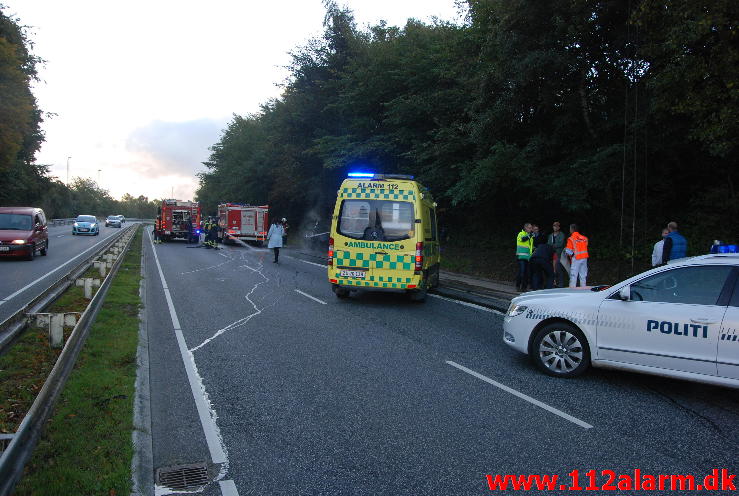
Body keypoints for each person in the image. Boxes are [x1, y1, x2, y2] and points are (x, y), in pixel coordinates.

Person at [515, 223, 534, 292]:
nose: (531, 229)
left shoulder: (530, 237)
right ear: (525, 228)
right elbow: (523, 239)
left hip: (528, 257)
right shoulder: (521, 234)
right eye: (529, 228)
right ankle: (518, 285)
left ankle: (524, 287)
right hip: (521, 256)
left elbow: (530, 247)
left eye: (531, 228)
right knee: (522, 272)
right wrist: (530, 236)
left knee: (526, 273)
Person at [547, 221, 567, 287]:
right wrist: (553, 246)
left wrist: (552, 245)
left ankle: (561, 284)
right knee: (552, 269)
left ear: (559, 227)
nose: (555, 227)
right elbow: (548, 244)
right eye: (554, 226)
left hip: (559, 254)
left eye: (557, 226)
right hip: (551, 254)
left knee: (558, 269)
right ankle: (554, 283)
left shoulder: (561, 234)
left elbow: (560, 244)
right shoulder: (550, 235)